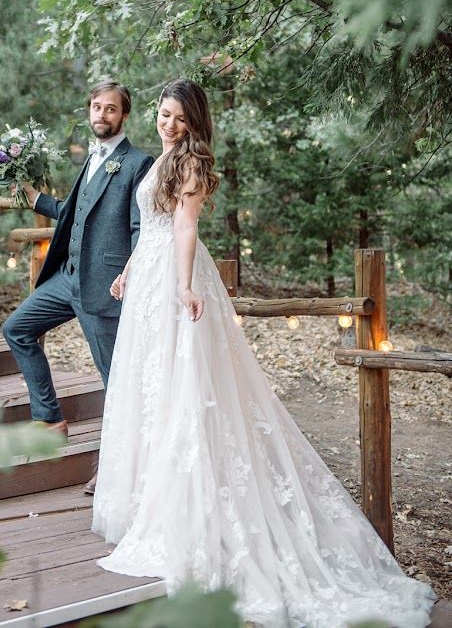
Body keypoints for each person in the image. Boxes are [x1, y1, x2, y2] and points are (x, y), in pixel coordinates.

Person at [92, 79, 435, 628]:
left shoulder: (195, 164)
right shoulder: (160, 161)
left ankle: (198, 513)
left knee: (187, 392)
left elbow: (183, 226)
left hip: (177, 281)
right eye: (163, 114)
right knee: (151, 389)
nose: (168, 123)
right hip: (148, 284)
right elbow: (152, 229)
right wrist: (130, 271)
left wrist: (184, 287)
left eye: (178, 117)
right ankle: (152, 502)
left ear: (195, 121)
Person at [3, 80, 153, 493]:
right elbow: (76, 213)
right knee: (17, 329)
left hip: (105, 286)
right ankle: (50, 419)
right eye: (96, 107)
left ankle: (116, 468)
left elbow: (142, 228)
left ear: (124, 115)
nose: (101, 115)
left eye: (110, 109)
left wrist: (129, 272)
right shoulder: (92, 158)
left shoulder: (139, 163)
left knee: (117, 379)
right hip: (67, 278)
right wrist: (36, 199)